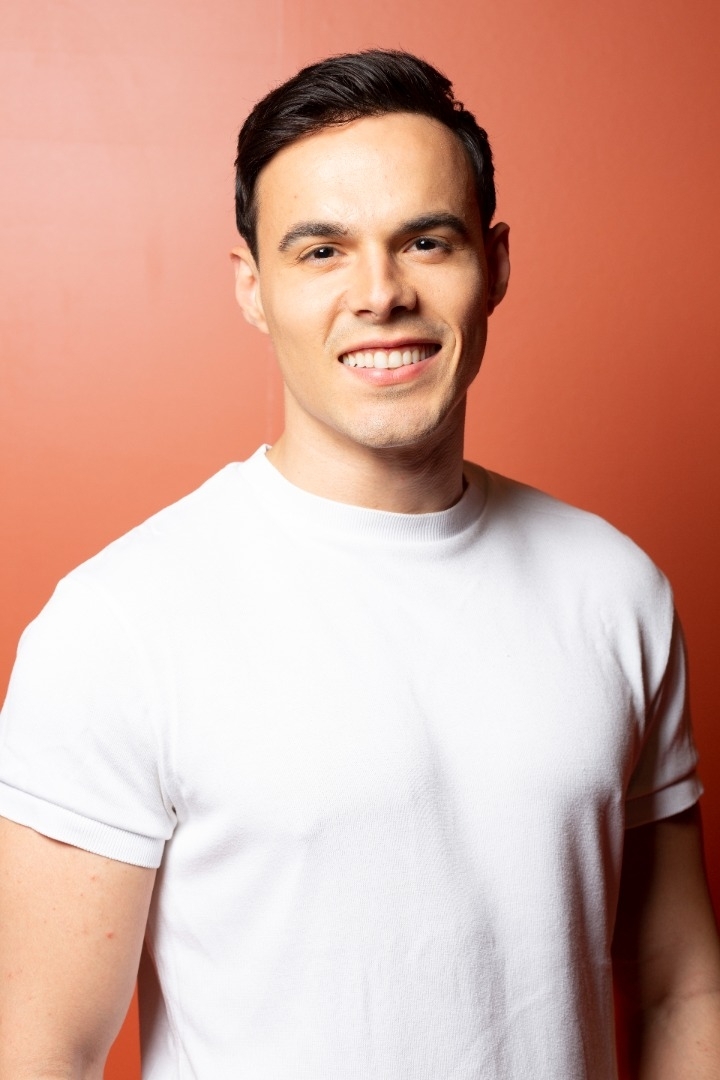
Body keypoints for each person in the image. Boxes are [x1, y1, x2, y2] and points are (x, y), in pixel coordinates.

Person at [0, 48, 718, 1080]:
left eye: (426, 241)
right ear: (252, 287)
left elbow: (681, 984)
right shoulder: (119, 624)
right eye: (322, 251)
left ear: (494, 264)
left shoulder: (615, 590)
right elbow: (41, 1051)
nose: (381, 294)